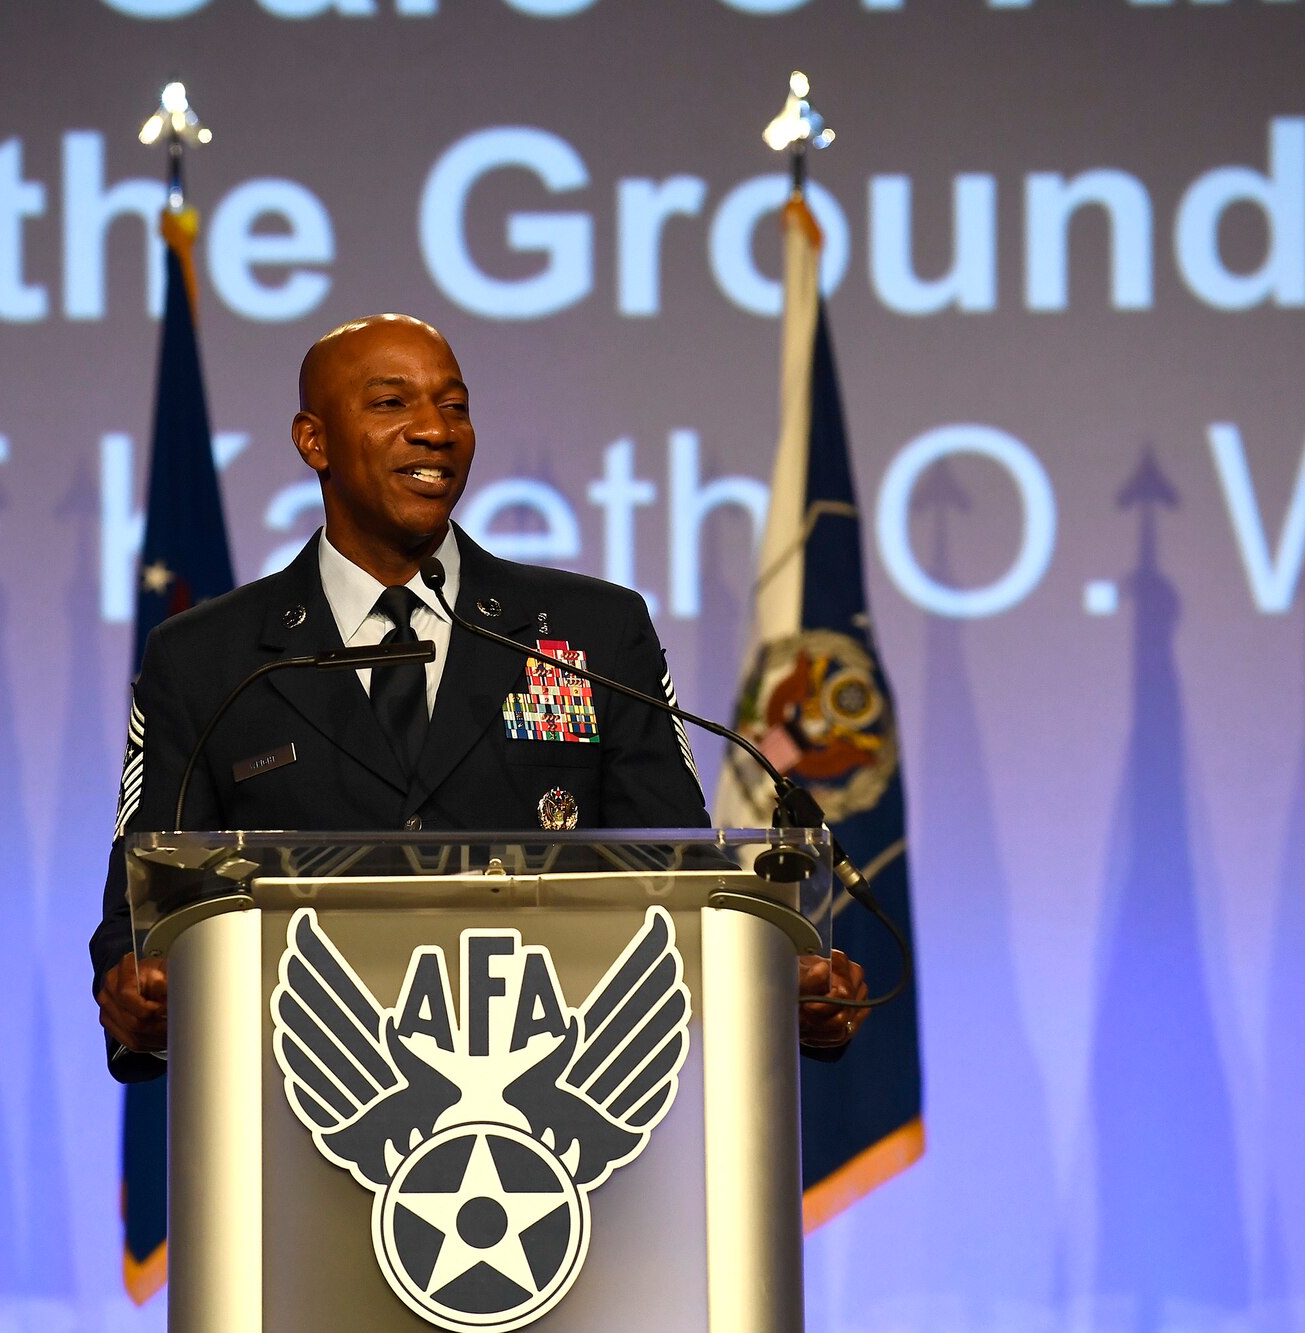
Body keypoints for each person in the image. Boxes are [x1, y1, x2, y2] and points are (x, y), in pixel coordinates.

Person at [92, 314, 867, 1079]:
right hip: (297, 1111)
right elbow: (143, 917)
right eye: (392, 404)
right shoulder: (207, 658)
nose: (435, 429)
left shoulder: (593, 630)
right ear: (313, 440)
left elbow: (681, 878)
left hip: (565, 1115)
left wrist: (781, 981)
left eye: (454, 405)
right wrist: (138, 998)